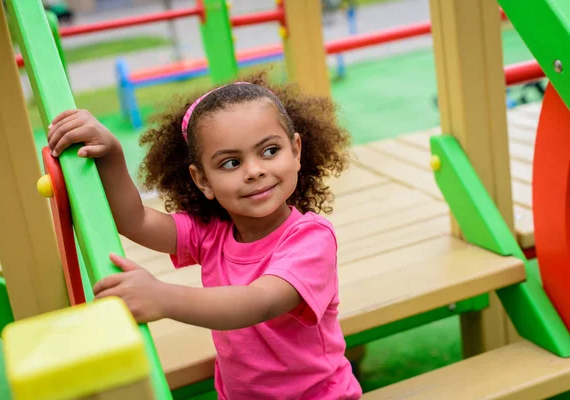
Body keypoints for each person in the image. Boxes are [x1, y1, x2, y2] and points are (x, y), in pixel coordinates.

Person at [47, 73, 362, 399]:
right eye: (230, 162)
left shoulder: (310, 239)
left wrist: (163, 297)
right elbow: (135, 220)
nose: (254, 170)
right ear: (203, 180)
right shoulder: (211, 234)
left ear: (295, 151)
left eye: (269, 151)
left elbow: (260, 301)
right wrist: (112, 157)